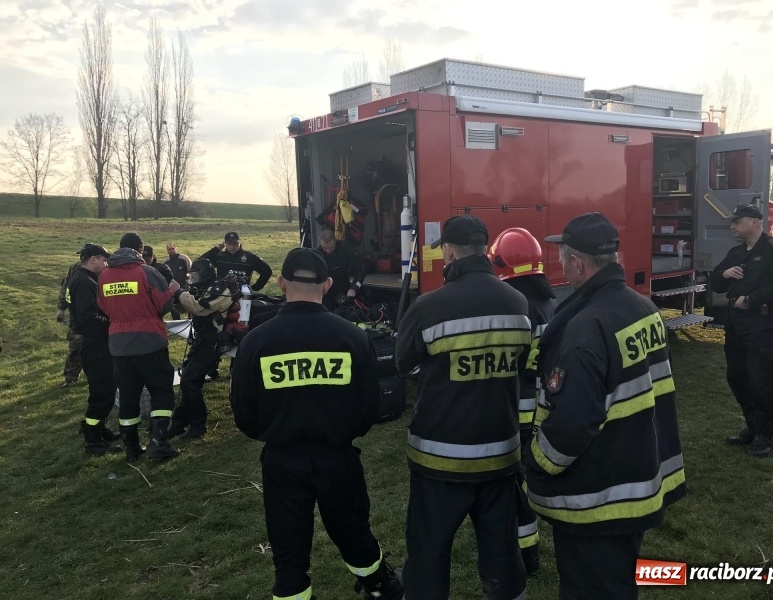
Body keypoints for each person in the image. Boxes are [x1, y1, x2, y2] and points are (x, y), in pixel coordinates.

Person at [523, 212, 686, 600]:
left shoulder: (585, 329)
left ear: (578, 263)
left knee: (592, 588)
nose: (559, 266)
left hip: (599, 499)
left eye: (561, 258)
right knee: (619, 580)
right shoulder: (643, 308)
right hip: (639, 475)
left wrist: (535, 464)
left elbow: (574, 421)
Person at [230, 248, 403, 600]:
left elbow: (244, 413)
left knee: (289, 553)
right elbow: (370, 406)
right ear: (327, 285)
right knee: (354, 531)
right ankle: (380, 585)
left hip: (282, 461)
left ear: (280, 283)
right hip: (337, 458)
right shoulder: (352, 337)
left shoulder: (256, 342)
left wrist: (274, 431)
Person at [395, 215, 530, 600]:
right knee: (501, 549)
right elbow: (520, 365)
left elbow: (403, 361)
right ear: (484, 251)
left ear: (449, 252)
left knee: (428, 550)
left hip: (440, 460)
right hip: (500, 456)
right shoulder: (518, 302)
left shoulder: (429, 306)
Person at [487, 227, 556, 576]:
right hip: (545, 409)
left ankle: (526, 555)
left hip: (515, 412)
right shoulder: (549, 302)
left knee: (514, 487)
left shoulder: (515, 307)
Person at [710, 203, 773, 457]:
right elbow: (716, 283)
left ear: (755, 222)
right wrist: (725, 273)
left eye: (737, 222)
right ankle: (752, 426)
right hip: (736, 324)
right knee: (737, 376)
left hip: (763, 325)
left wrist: (751, 299)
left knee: (761, 380)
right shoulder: (736, 253)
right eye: (733, 222)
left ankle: (765, 435)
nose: (732, 226)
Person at [97, 232, 181, 462]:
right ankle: (158, 443)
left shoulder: (104, 276)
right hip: (149, 342)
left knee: (128, 395)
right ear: (140, 250)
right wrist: (173, 291)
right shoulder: (147, 272)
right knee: (161, 390)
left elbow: (103, 306)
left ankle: (132, 448)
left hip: (119, 345)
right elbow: (163, 304)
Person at [169, 258, 241, 440]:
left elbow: (199, 308)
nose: (193, 279)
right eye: (190, 276)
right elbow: (187, 306)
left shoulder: (219, 289)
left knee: (190, 380)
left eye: (195, 275)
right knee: (189, 377)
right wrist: (178, 297)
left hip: (213, 341)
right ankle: (178, 424)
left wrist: (178, 291)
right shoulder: (202, 288)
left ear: (206, 274)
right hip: (203, 339)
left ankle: (197, 426)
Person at [67, 243, 121, 455]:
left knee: (104, 389)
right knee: (102, 391)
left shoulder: (83, 279)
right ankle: (93, 438)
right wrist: (113, 323)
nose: (106, 263)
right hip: (95, 345)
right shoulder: (84, 282)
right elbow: (88, 318)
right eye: (104, 259)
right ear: (93, 259)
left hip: (95, 343)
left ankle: (99, 429)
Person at [199, 231, 272, 291]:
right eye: (229, 244)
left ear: (239, 243)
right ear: (225, 244)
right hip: (221, 292)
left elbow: (267, 271)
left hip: (241, 293)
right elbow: (200, 263)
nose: (232, 247)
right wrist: (215, 250)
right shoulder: (219, 256)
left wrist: (254, 288)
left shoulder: (249, 257)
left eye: (235, 244)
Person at [315, 228, 365, 312]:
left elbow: (360, 270)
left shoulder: (346, 249)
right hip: (326, 292)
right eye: (325, 248)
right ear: (320, 242)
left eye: (331, 247)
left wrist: (354, 288)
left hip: (344, 288)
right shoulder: (317, 254)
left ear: (335, 241)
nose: (328, 251)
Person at [56, 259, 84, 387]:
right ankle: (71, 377)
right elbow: (66, 287)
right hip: (77, 314)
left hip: (96, 314)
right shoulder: (76, 268)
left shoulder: (104, 266)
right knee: (75, 346)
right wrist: (61, 308)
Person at [164, 242, 192, 319]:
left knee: (190, 305)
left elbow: (190, 271)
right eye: (169, 249)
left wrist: (189, 283)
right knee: (173, 307)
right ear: (167, 251)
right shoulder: (166, 262)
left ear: (176, 248)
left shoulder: (184, 258)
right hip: (172, 290)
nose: (171, 250)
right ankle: (176, 322)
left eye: (173, 248)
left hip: (185, 287)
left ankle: (191, 320)